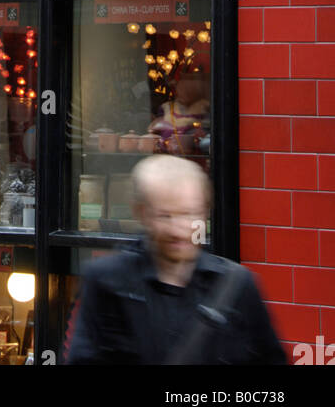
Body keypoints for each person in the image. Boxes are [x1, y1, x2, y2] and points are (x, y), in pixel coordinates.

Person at [65, 155, 286, 365]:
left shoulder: (238, 286)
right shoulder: (106, 281)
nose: (178, 230)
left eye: (189, 214)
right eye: (165, 216)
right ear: (142, 213)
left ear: (204, 213)